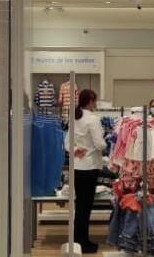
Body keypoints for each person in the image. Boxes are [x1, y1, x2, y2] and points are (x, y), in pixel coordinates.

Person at [65, 89, 106, 254]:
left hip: (77, 166)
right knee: (85, 206)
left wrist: (76, 149)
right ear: (90, 100)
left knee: (79, 205)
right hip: (89, 167)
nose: (95, 104)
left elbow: (67, 143)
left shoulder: (74, 117)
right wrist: (107, 141)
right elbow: (99, 144)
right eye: (94, 101)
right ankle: (83, 242)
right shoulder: (93, 119)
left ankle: (78, 239)